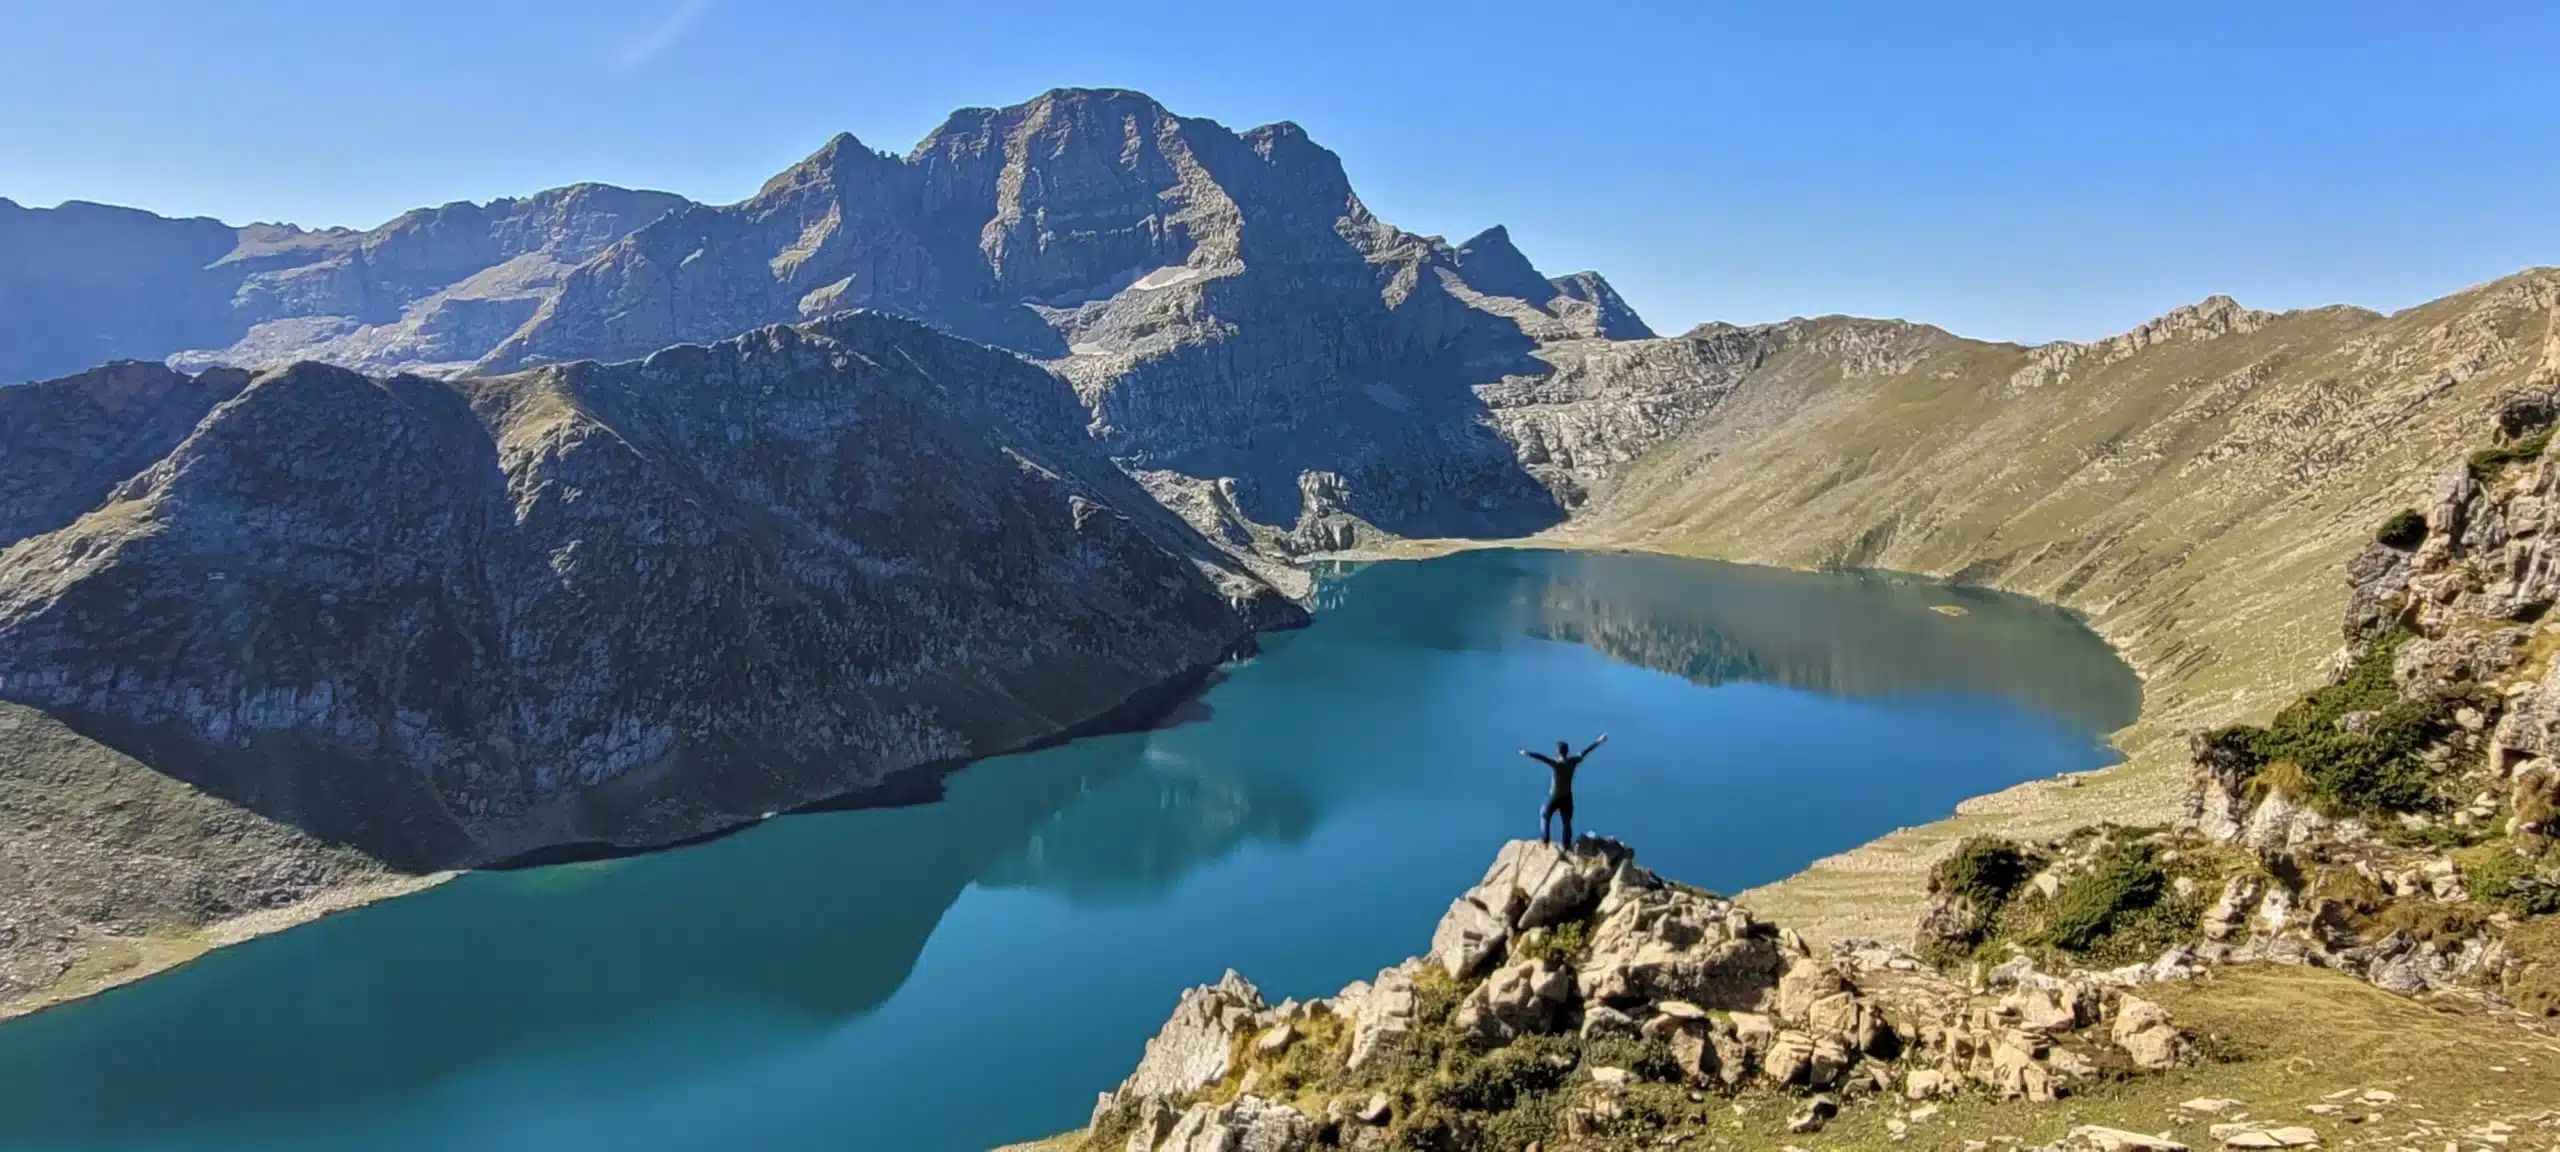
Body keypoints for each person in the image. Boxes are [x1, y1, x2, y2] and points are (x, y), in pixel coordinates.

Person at [1519, 733, 1607, 848]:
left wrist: (1527, 753)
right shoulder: (1573, 761)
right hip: (1567, 797)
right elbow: (1585, 752)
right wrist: (1598, 742)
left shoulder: (1556, 764)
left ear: (1557, 752)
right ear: (1567, 752)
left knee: (1544, 814)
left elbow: (1542, 758)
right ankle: (1566, 846)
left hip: (1555, 797)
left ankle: (1545, 841)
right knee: (1566, 823)